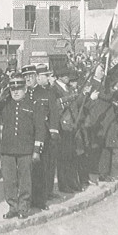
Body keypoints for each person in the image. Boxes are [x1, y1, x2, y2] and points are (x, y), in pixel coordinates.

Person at [0, 73, 47, 219]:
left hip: (26, 150)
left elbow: (40, 129)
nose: (16, 91)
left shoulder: (34, 104)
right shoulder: (5, 103)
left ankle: (23, 207)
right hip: (7, 150)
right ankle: (12, 207)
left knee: (25, 179)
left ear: (25, 89)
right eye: (12, 89)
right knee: (9, 180)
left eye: (19, 88)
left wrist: (37, 151)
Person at [21, 64, 53, 210]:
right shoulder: (22, 94)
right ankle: (27, 200)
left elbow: (53, 113)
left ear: (36, 77)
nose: (28, 79)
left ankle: (40, 200)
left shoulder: (45, 93)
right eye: (26, 77)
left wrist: (53, 131)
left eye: (31, 76)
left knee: (40, 169)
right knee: (26, 171)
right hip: (26, 137)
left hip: (42, 136)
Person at [53, 67, 82, 193]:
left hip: (71, 125)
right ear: (59, 76)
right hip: (62, 126)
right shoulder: (54, 89)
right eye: (64, 75)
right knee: (63, 157)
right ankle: (63, 184)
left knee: (71, 156)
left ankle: (72, 182)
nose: (67, 77)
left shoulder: (68, 88)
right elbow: (56, 105)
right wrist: (69, 98)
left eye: (67, 75)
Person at [35, 64, 61, 202]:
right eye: (47, 75)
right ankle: (42, 193)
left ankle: (49, 191)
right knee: (42, 166)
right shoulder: (35, 92)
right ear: (39, 77)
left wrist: (54, 131)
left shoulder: (50, 91)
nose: (49, 78)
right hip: (40, 134)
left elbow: (54, 113)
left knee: (50, 164)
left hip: (50, 135)